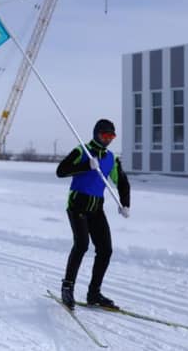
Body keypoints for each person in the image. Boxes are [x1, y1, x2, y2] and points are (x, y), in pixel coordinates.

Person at [55, 119, 131, 310]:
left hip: (96, 208)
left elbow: (122, 182)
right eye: (105, 135)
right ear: (96, 134)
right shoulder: (82, 151)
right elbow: (61, 171)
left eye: (111, 136)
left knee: (105, 250)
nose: (108, 140)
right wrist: (85, 166)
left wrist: (125, 204)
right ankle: (67, 288)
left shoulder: (111, 158)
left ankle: (93, 293)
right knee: (81, 245)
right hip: (77, 205)